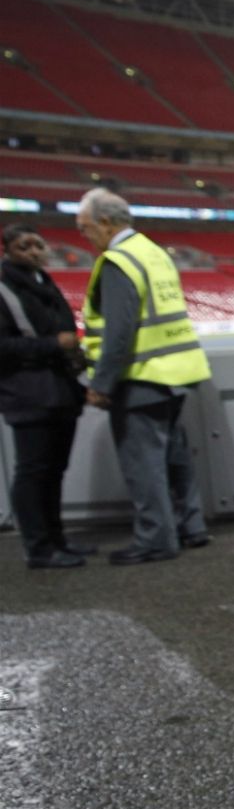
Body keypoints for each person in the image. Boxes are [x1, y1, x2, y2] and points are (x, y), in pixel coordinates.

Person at [74, 189, 214, 565]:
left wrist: (101, 384)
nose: (83, 236)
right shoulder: (153, 252)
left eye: (85, 228)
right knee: (174, 457)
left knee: (144, 465)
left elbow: (118, 332)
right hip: (175, 371)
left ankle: (156, 540)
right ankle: (191, 526)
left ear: (105, 223)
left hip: (141, 376)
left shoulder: (118, 261)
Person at [0, 224, 90, 568]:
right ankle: (38, 548)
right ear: (8, 250)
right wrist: (53, 344)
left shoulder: (44, 282)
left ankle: (57, 540)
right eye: (24, 246)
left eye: (38, 244)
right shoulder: (5, 288)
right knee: (33, 471)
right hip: (27, 392)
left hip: (60, 390)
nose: (34, 251)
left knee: (54, 470)